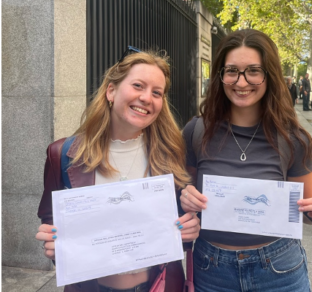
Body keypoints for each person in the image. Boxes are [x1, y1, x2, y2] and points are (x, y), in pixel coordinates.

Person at [180, 29, 312, 292]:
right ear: (220, 76)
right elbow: (183, 203)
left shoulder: (293, 139)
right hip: (211, 270)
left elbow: (307, 211)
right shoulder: (196, 131)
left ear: (270, 75)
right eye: (231, 71)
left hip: (279, 269)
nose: (241, 82)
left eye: (253, 70)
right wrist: (185, 200)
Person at [35, 51, 200, 292]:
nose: (146, 98)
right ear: (111, 91)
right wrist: (55, 245)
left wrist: (189, 227)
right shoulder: (62, 154)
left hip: (159, 285)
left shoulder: (172, 153)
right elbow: (51, 219)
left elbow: (177, 226)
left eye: (157, 93)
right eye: (138, 86)